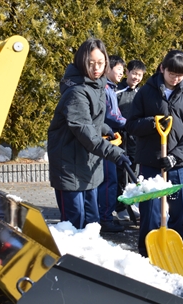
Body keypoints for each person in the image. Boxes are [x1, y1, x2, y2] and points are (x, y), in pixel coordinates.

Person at [125, 50, 183, 257]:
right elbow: (131, 125)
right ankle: (147, 252)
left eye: (181, 75)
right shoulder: (146, 92)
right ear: (162, 68)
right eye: (172, 74)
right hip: (151, 160)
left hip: (179, 163)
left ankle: (177, 253)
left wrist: (175, 156)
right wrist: (152, 123)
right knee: (150, 210)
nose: (176, 79)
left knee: (179, 210)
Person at [47, 38, 131, 231]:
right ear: (81, 62)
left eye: (100, 63)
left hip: (87, 163)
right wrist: (116, 153)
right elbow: (85, 132)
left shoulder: (97, 85)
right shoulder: (76, 92)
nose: (96, 68)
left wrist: (105, 129)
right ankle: (71, 260)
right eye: (91, 63)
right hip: (69, 164)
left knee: (92, 223)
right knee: (74, 225)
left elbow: (92, 120)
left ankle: (90, 259)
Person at [97, 55, 129, 232]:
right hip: (105, 141)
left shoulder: (109, 88)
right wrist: (131, 123)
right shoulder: (105, 89)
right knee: (109, 180)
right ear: (108, 69)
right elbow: (111, 116)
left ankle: (104, 216)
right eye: (119, 70)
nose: (121, 73)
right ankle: (105, 218)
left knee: (108, 180)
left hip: (108, 139)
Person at [114, 59, 146, 222]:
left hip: (136, 141)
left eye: (139, 75)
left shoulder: (141, 94)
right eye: (134, 73)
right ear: (127, 72)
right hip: (120, 139)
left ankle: (132, 204)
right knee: (121, 173)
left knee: (134, 172)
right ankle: (120, 208)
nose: (136, 77)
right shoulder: (117, 91)